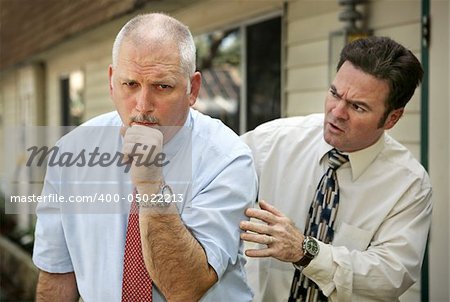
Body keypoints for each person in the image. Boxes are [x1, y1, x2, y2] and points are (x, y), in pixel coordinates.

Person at [32, 13, 257, 301]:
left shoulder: (227, 158)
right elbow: (57, 274)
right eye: (130, 84)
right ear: (112, 81)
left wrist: (151, 185)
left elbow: (184, 288)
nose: (143, 106)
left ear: (193, 89)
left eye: (162, 86)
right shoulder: (72, 152)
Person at [239, 36, 432, 301]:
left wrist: (306, 252)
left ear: (392, 118)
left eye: (357, 106)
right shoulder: (272, 142)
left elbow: (390, 274)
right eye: (334, 94)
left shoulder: (409, 184)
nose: (337, 112)